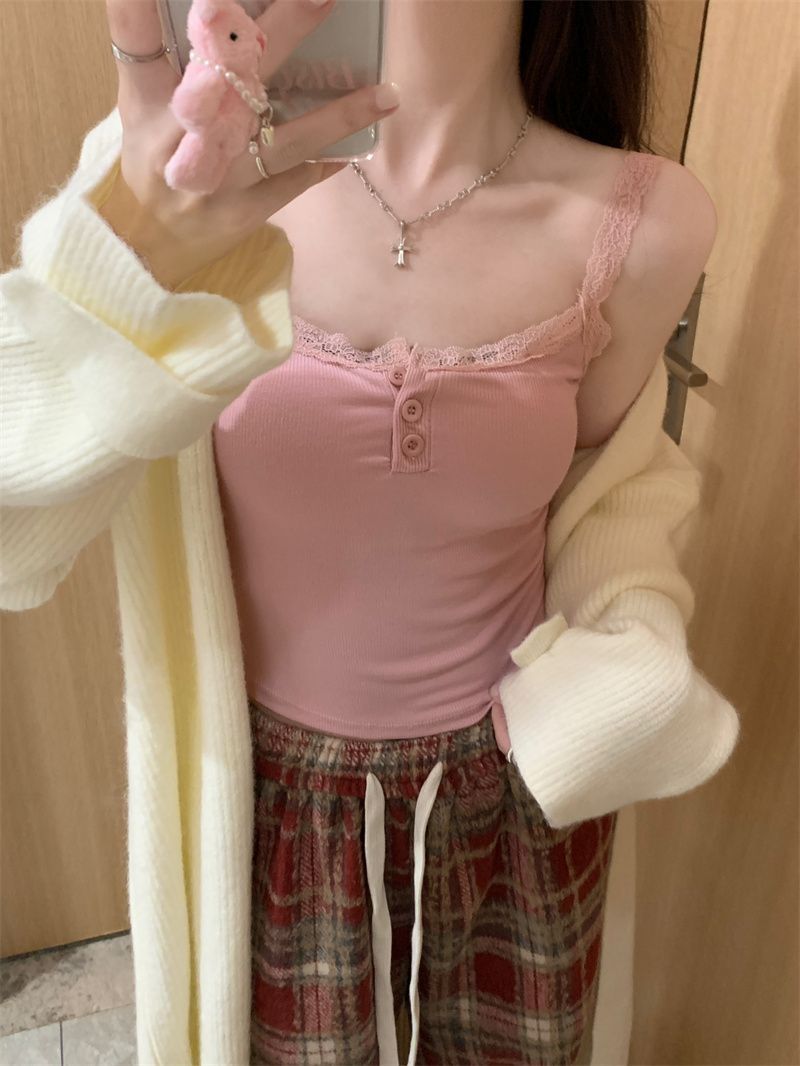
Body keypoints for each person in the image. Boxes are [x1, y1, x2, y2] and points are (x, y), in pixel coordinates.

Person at [1, 1, 741, 1064]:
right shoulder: (183, 172)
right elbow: (14, 528)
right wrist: (126, 263)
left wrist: (625, 661)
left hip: (510, 805)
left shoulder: (643, 221)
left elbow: (603, 491)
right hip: (263, 811)